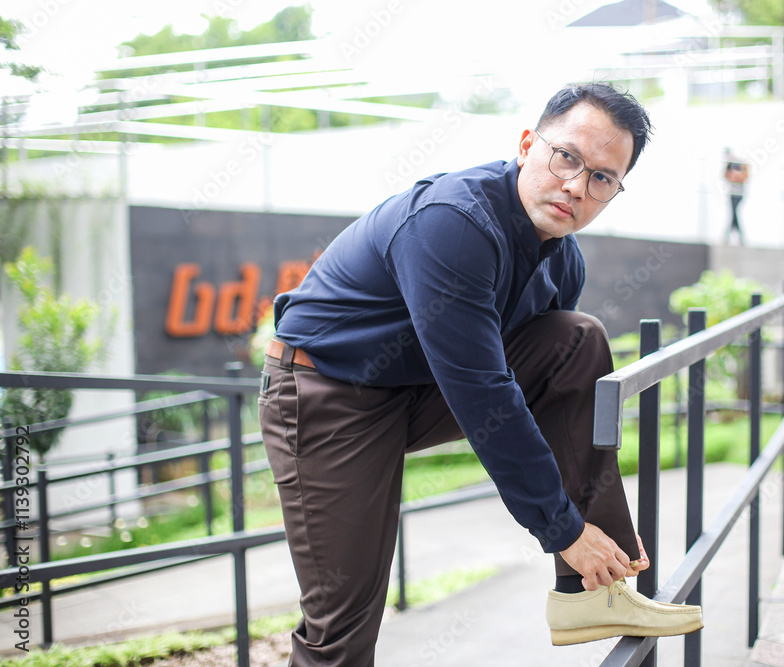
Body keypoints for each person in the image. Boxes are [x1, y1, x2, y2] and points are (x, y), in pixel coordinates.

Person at [258, 83, 703, 666]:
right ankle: (581, 553)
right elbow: (483, 390)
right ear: (526, 145)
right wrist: (562, 528)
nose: (575, 185)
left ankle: (596, 590)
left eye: (601, 177)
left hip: (414, 388)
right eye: (566, 156)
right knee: (343, 621)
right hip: (325, 392)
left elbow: (541, 395)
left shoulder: (562, 260)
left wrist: (596, 530)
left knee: (578, 339)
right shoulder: (453, 223)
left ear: (614, 193)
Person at [723, 147, 748, 245]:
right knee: (734, 214)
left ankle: (731, 235)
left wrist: (735, 176)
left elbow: (743, 177)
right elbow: (727, 176)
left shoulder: (739, 163)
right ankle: (737, 236)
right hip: (732, 193)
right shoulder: (729, 165)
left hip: (739, 193)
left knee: (734, 214)